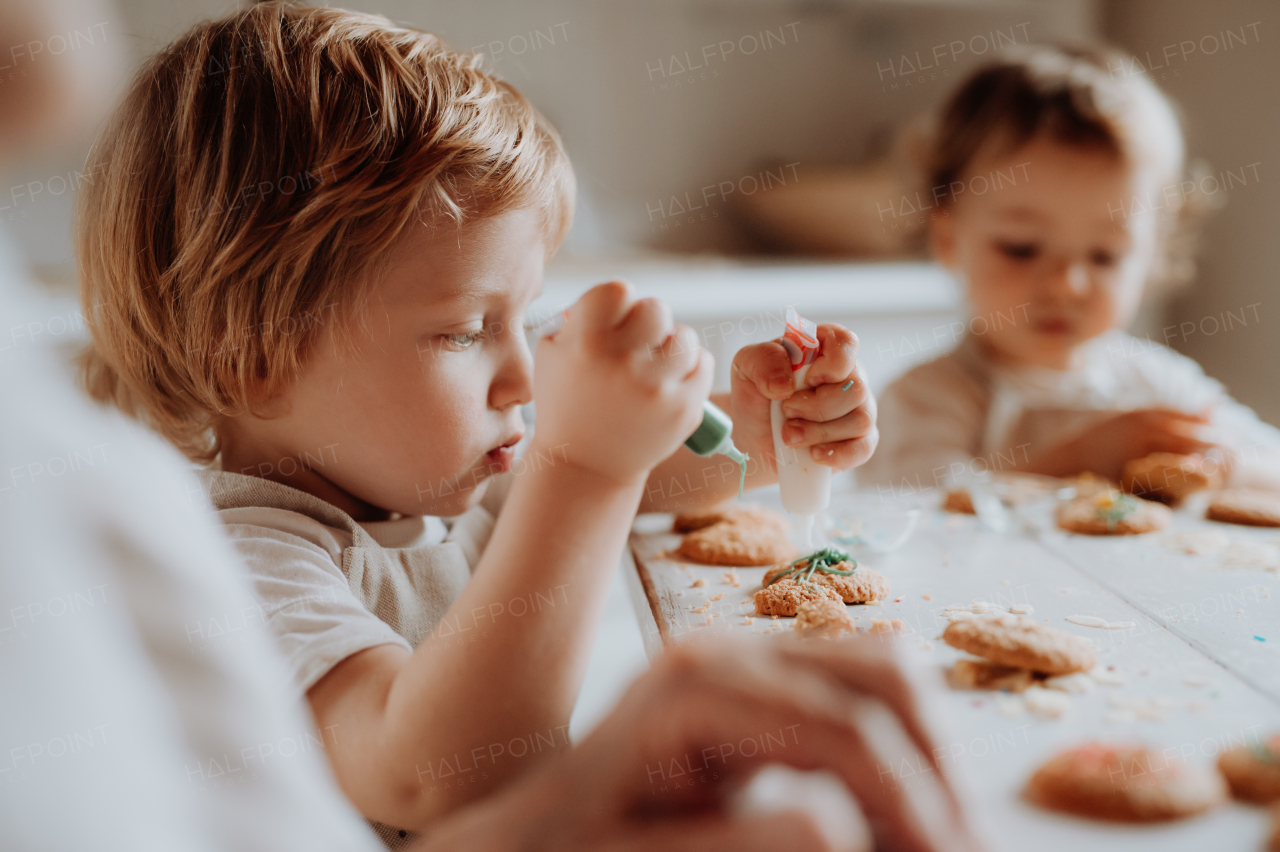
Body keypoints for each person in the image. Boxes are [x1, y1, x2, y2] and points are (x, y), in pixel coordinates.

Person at [75, 3, 879, 844]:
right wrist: (588, 468)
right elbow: (440, 778)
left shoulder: (421, 490)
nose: (523, 378)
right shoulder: (247, 568)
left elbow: (656, 472)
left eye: (521, 318)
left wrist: (761, 431)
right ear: (253, 359)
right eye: (464, 331)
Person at [859, 44, 1280, 496]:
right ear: (947, 240)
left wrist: (1224, 466)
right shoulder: (929, 396)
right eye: (1021, 249)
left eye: (1105, 255)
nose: (1067, 284)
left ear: (1153, 253)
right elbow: (920, 515)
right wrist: (1078, 463)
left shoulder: (1155, 384)